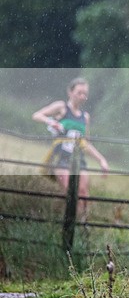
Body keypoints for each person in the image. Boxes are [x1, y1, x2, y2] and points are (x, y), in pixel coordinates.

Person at [32, 77, 109, 222]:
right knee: (70, 193)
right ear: (70, 92)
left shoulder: (85, 117)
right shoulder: (61, 107)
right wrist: (51, 122)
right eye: (79, 92)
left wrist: (101, 160)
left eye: (85, 93)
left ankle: (81, 225)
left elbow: (85, 143)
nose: (82, 96)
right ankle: (66, 225)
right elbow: (37, 115)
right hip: (61, 158)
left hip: (79, 160)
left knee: (84, 195)